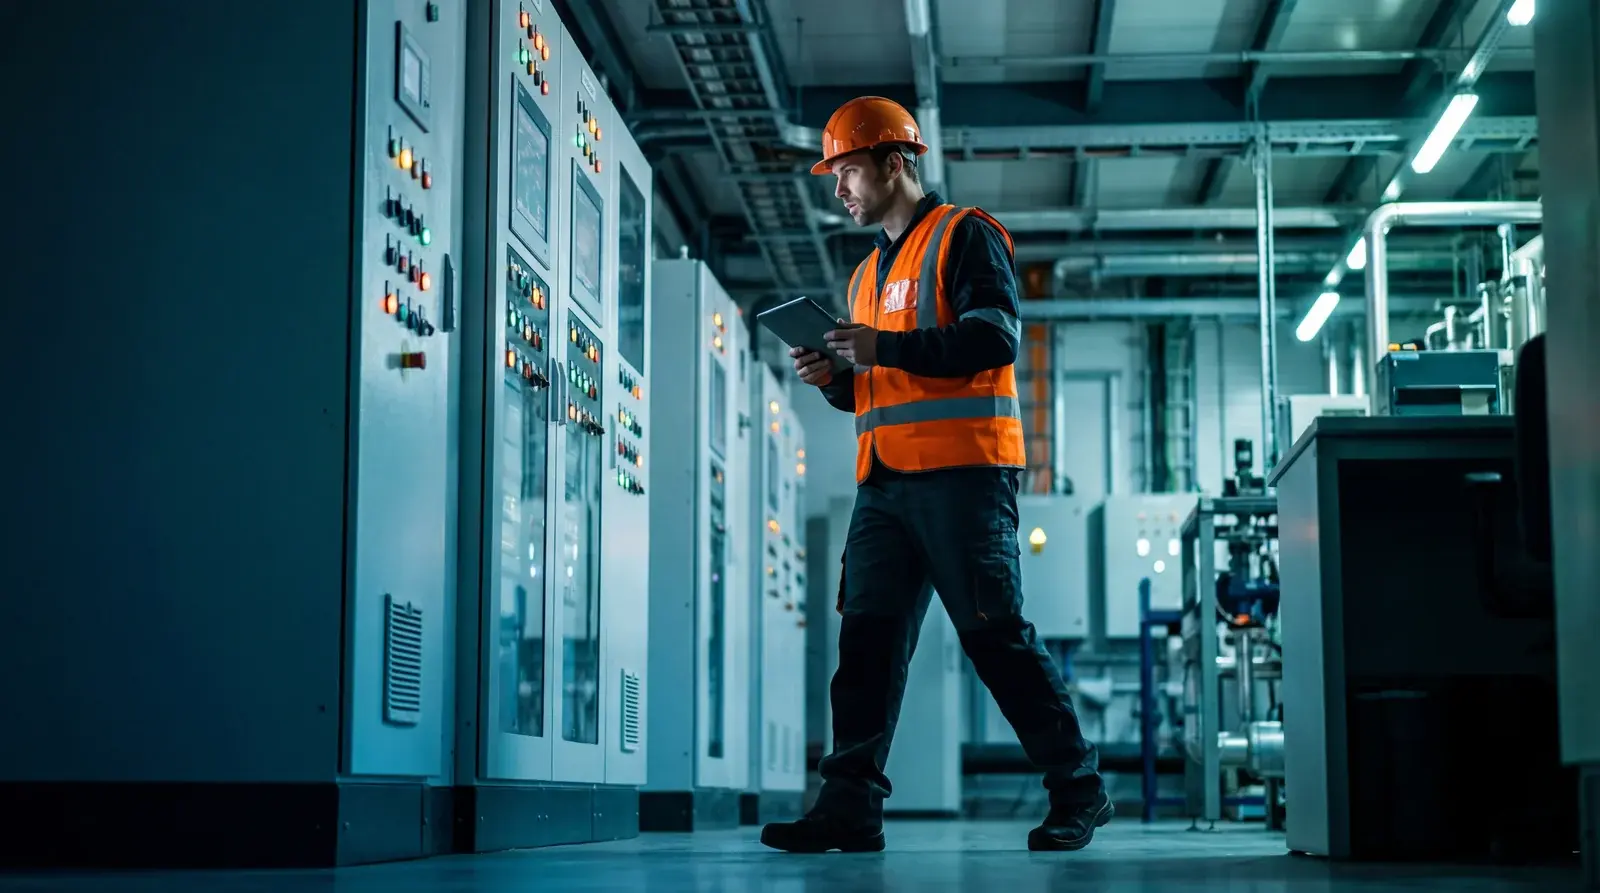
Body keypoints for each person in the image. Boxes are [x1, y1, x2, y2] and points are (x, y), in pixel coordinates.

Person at [759, 96, 1109, 854]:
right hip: (884, 486)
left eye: (848, 170)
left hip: (966, 476)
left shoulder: (966, 235)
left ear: (894, 164)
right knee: (866, 645)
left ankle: (1078, 787)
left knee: (995, 638)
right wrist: (829, 374)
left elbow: (993, 337)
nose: (839, 189)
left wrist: (880, 349)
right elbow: (869, 388)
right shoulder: (860, 278)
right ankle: (850, 804)